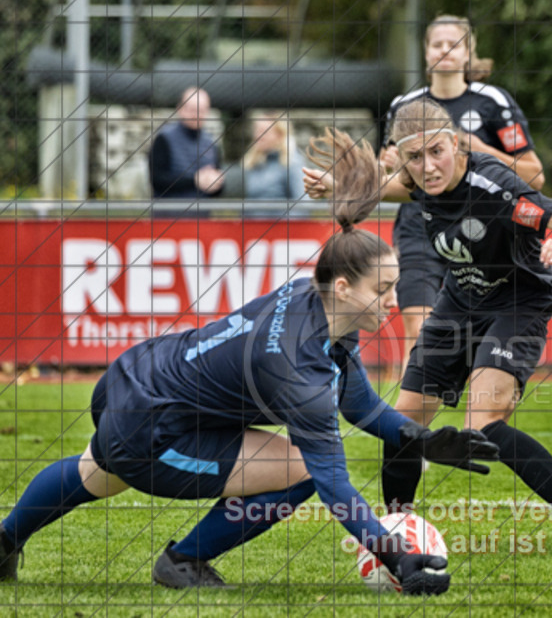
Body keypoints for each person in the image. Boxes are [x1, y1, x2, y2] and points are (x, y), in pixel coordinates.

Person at [0, 129, 499, 594]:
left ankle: (3, 541)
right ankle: (183, 561)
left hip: (133, 379)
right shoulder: (296, 368)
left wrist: (424, 439)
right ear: (344, 288)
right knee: (302, 469)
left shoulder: (315, 297)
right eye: (384, 289)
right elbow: (333, 485)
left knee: (98, 474)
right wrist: (396, 558)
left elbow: (361, 405)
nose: (393, 300)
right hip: (151, 427)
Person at [305, 98, 552, 552]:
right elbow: (377, 188)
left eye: (437, 151)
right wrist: (335, 186)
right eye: (414, 157)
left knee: (484, 423)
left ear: (454, 143)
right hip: (458, 304)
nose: (428, 167)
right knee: (405, 425)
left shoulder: (494, 186)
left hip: (517, 302)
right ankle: (396, 532)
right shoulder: (418, 183)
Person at [380, 15, 546, 376]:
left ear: (468, 53)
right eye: (436, 44)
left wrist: (483, 149)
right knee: (418, 328)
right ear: (425, 53)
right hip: (419, 228)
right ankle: (416, 424)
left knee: (476, 341)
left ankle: (482, 407)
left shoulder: (493, 102)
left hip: (481, 234)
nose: (444, 51)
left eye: (453, 44)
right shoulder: (403, 107)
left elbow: (535, 174)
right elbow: (390, 179)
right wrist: (384, 170)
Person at [149, 87, 224, 200]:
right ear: (180, 108)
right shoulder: (164, 139)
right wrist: (195, 180)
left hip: (201, 216)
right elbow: (157, 181)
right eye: (193, 109)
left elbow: (218, 191)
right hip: (168, 215)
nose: (197, 115)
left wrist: (216, 183)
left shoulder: (211, 143)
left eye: (202, 110)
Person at [241, 111, 307, 206]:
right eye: (256, 130)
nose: (257, 136)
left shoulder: (292, 162)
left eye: (263, 132)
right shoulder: (254, 164)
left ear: (280, 134)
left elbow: (302, 204)